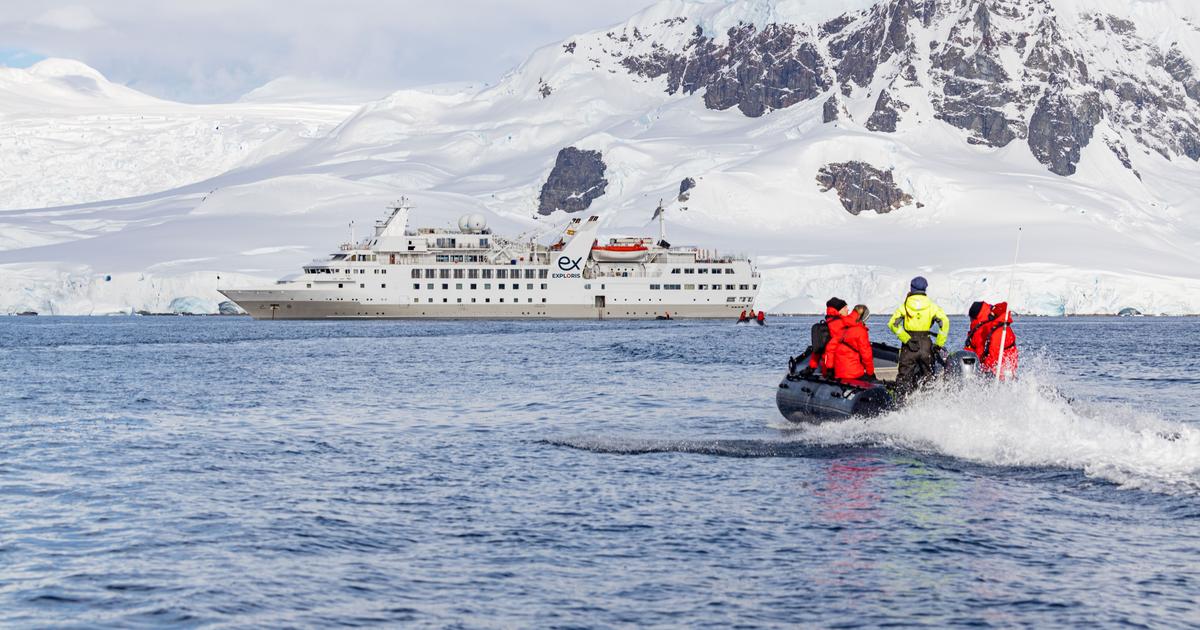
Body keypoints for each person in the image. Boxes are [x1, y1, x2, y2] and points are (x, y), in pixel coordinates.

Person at [888, 276, 949, 393]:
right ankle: (928, 404)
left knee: (904, 378)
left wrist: (906, 339)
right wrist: (939, 343)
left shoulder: (905, 306)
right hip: (926, 344)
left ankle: (901, 405)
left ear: (911, 288)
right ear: (925, 289)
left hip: (909, 345)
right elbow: (945, 322)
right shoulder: (932, 306)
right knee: (929, 377)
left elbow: (892, 324)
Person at [801, 297, 847, 377]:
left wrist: (812, 367)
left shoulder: (827, 324)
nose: (848, 310)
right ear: (838, 310)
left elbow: (817, 350)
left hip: (827, 369)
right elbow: (832, 347)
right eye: (845, 308)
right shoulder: (841, 325)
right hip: (841, 369)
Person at [831, 304, 876, 382]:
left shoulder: (843, 326)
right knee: (876, 384)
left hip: (838, 372)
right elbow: (866, 355)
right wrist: (870, 373)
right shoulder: (860, 331)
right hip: (853, 373)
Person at [978, 302, 1018, 379]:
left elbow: (994, 354)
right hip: (1008, 368)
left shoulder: (999, 332)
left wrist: (981, 367)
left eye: (992, 314)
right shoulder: (1006, 329)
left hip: (999, 372)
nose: (990, 316)